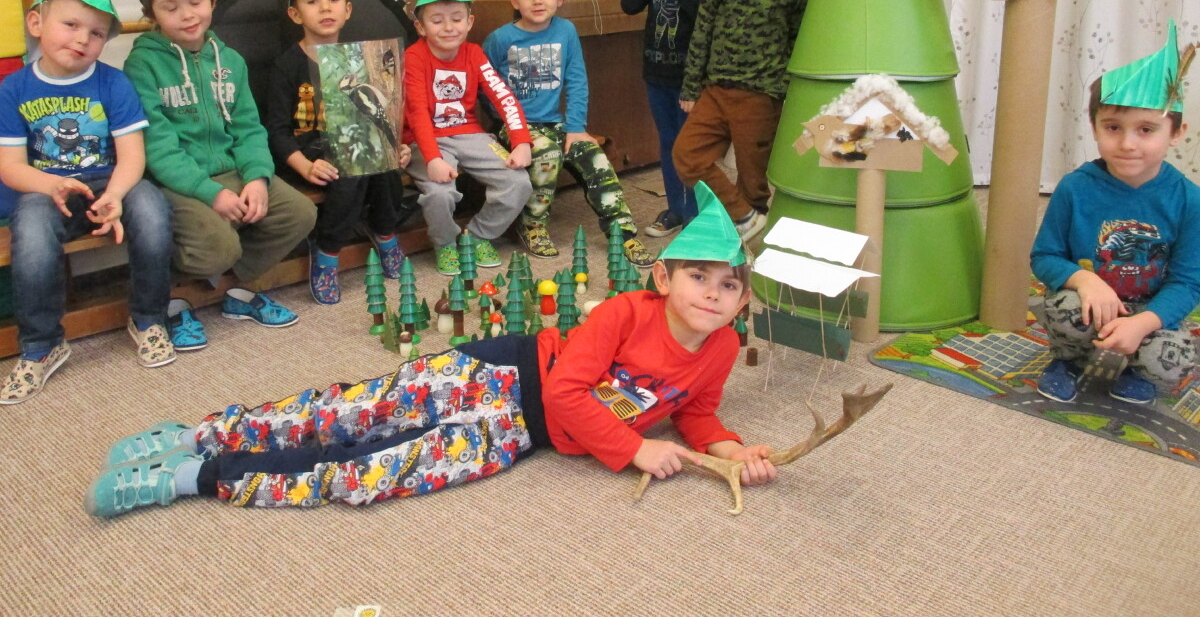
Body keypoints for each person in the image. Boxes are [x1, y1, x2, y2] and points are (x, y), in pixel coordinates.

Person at [83, 180, 778, 516]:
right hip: (504, 375)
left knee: (371, 471)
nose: (713, 294)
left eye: (729, 285)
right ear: (663, 278)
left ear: (743, 301)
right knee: (345, 415)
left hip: (517, 435)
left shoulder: (719, 347)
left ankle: (193, 476)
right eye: (698, 277)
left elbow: (696, 412)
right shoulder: (626, 312)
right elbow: (569, 392)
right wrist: (634, 449)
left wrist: (731, 451)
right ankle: (197, 434)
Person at [123, 0, 316, 341]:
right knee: (218, 247)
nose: (187, 14)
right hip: (177, 182)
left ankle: (233, 290)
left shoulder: (230, 60)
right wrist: (211, 194)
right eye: (171, 7)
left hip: (232, 170)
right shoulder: (142, 64)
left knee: (299, 213)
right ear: (153, 13)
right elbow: (157, 146)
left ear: (212, 0)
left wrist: (257, 178)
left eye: (196, 2)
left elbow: (248, 127)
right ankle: (178, 293)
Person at [0, 0, 175, 404]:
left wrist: (115, 194)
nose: (82, 39)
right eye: (71, 25)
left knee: (153, 211)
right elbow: (10, 166)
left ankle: (150, 319)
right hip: (46, 187)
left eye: (96, 33)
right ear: (36, 23)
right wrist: (49, 185)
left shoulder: (113, 84)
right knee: (31, 234)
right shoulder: (13, 90)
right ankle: (41, 345)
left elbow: (132, 156)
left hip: (109, 179)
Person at [1030, 20, 1199, 405]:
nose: (1127, 144)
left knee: (1173, 362)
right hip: (1091, 301)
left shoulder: (1190, 200)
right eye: (1112, 127)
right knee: (1064, 309)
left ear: (1176, 132)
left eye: (1146, 130)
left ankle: (1138, 370)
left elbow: (1189, 283)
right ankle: (1068, 359)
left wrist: (1143, 323)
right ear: (1094, 128)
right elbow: (1044, 257)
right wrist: (1084, 281)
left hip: (1151, 307)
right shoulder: (1074, 188)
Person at [484, 0, 654, 268]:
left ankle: (622, 232)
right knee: (547, 153)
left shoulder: (566, 31)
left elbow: (577, 80)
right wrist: (505, 124)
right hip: (516, 125)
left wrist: (576, 128)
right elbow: (485, 85)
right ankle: (532, 225)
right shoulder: (500, 39)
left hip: (555, 122)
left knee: (594, 156)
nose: (538, 1)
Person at [673, 0, 809, 242]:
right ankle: (744, 217)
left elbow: (799, 40)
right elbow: (703, 31)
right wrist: (691, 87)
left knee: (753, 177)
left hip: (762, 96)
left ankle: (753, 246)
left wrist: (791, 94)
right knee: (687, 156)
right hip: (715, 92)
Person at [265, 0, 411, 305]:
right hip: (311, 150)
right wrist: (303, 165)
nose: (324, 8)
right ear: (295, 14)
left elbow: (379, 111)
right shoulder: (287, 65)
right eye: (312, 2)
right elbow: (276, 130)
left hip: (355, 137)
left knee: (385, 162)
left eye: (333, 0)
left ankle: (384, 230)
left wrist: (395, 144)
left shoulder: (360, 59)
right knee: (351, 170)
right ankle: (328, 248)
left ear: (347, 10)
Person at [401, 0, 532, 276]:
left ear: (470, 21)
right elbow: (417, 111)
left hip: (470, 134)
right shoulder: (414, 56)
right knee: (439, 192)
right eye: (437, 20)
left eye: (457, 18)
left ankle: (478, 236)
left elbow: (503, 96)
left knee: (518, 182)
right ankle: (445, 243)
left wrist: (521, 141)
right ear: (421, 27)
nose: (448, 27)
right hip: (424, 139)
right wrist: (432, 158)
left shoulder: (474, 53)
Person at [621, 0, 724, 238]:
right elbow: (629, 4)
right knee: (667, 142)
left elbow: (704, 14)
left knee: (691, 148)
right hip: (657, 73)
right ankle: (676, 209)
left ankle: (699, 215)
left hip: (691, 78)